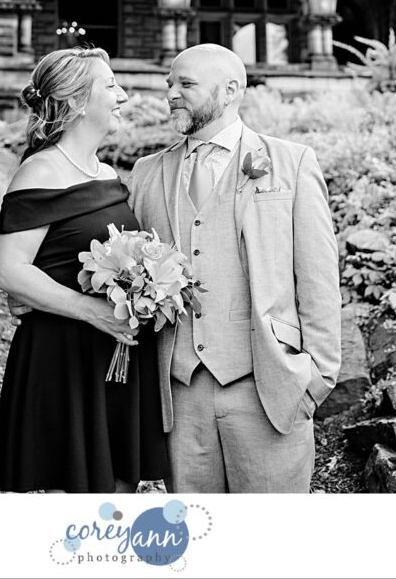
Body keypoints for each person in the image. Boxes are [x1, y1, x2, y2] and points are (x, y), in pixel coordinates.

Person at [128, 43, 342, 494]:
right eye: (169, 83)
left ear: (230, 91)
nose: (171, 93)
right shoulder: (146, 173)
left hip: (269, 387)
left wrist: (315, 379)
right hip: (179, 392)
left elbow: (319, 278)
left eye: (185, 84)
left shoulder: (291, 162)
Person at [0, 47, 169, 494]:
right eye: (110, 85)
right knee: (72, 493)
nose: (122, 95)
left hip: (115, 354)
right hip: (63, 352)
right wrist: (92, 311)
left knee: (119, 483)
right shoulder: (41, 170)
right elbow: (9, 272)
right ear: (77, 101)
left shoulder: (103, 171)